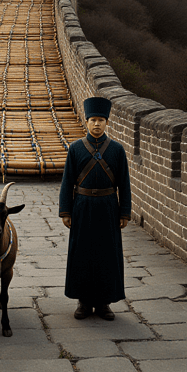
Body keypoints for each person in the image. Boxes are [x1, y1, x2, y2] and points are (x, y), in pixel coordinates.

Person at [59, 96, 132, 321]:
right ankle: (83, 302)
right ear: (87, 121)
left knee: (106, 255)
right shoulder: (75, 148)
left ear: (107, 122)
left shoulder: (117, 150)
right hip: (82, 207)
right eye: (93, 120)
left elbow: (124, 183)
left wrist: (124, 212)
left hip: (108, 208)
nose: (97, 124)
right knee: (82, 254)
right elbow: (67, 182)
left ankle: (104, 303)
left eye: (101, 120)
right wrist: (66, 211)